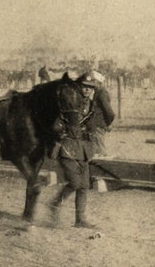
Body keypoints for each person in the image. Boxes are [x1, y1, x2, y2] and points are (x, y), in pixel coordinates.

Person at [48, 70, 115, 228]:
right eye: (84, 86)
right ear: (79, 86)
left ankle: (80, 219)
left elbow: (97, 122)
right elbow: (55, 124)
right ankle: (55, 203)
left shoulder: (91, 105)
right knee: (75, 182)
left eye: (90, 87)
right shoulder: (69, 101)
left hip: (84, 149)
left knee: (84, 186)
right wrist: (64, 128)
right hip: (69, 148)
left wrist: (94, 127)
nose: (87, 90)